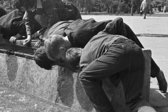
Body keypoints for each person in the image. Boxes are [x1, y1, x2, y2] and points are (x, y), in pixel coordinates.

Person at [36, 17, 167, 93]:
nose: (62, 61)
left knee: (141, 56)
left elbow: (115, 24)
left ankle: (158, 74)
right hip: (110, 38)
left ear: (62, 48)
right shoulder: (70, 39)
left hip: (121, 32)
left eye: (60, 59)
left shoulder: (81, 35)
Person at [65, 31, 156, 112]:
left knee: (84, 76)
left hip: (117, 49)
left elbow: (89, 78)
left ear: (77, 66)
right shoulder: (94, 39)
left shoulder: (84, 60)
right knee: (135, 101)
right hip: (135, 49)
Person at [14, 0, 81, 45]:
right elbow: (27, 20)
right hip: (57, 18)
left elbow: (53, 20)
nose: (30, 10)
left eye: (29, 8)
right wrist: (29, 36)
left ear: (33, 1)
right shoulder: (30, 5)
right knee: (38, 17)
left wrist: (44, 37)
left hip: (71, 16)